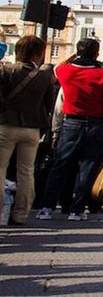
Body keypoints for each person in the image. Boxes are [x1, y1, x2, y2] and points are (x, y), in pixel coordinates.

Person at [37, 37, 103, 221]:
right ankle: (76, 210)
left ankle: (47, 207)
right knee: (87, 168)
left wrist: (76, 55)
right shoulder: (102, 74)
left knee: (60, 165)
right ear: (97, 54)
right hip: (96, 124)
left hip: (71, 123)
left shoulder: (66, 71)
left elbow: (57, 66)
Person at [0, 36, 54, 225]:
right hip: (32, 129)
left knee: (1, 169)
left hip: (6, 125)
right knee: (26, 171)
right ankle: (21, 214)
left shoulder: (6, 70)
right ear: (39, 53)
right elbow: (49, 104)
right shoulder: (44, 76)